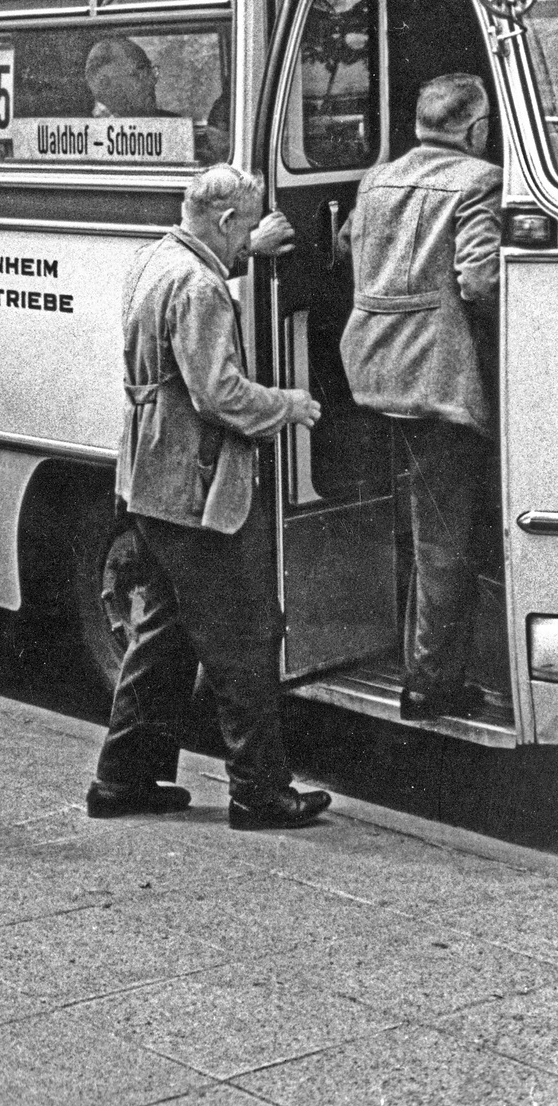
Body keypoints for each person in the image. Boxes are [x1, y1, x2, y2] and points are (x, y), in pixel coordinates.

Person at [87, 163, 331, 832]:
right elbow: (219, 394)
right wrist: (290, 404)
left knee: (162, 636)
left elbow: (196, 286)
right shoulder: (203, 289)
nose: (244, 241)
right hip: (195, 485)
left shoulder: (157, 258)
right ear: (226, 222)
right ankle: (260, 793)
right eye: (243, 229)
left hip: (150, 478)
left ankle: (122, 778)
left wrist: (250, 251)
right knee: (244, 638)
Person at [339, 74, 502, 722]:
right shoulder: (479, 181)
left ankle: (420, 655)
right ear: (476, 128)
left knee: (422, 517)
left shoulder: (375, 179)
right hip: (436, 383)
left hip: (372, 373)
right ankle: (429, 683)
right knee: (445, 536)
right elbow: (482, 280)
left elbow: (348, 244)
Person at [85, 36, 229, 165]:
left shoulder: (170, 123)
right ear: (105, 83)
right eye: (139, 74)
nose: (152, 81)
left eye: (151, 71)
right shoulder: (85, 137)